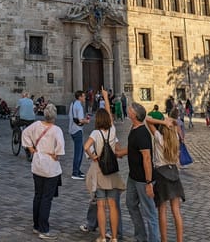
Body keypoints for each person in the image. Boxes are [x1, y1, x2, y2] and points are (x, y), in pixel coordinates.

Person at [117, 101, 161, 242]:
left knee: (149, 213)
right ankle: (140, 237)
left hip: (143, 179)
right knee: (131, 204)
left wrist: (149, 183)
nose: (128, 110)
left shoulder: (142, 133)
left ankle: (153, 239)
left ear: (134, 114)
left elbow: (147, 158)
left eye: (130, 109)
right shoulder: (133, 128)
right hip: (133, 177)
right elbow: (132, 149)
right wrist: (120, 153)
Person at [83, 100, 125, 242]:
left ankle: (102, 236)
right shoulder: (113, 131)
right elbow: (109, 113)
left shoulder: (95, 133)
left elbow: (86, 146)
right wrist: (106, 98)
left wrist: (93, 156)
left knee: (101, 205)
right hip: (112, 171)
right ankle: (114, 237)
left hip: (100, 171)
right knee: (112, 205)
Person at [22, 103, 65, 240]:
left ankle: (36, 225)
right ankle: (43, 229)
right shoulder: (56, 130)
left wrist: (31, 148)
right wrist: (57, 155)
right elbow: (60, 147)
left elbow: (25, 133)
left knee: (38, 195)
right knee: (46, 198)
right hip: (50, 166)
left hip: (38, 162)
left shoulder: (36, 125)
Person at [145, 114, 185, 242]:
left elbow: (147, 120)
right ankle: (180, 240)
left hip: (161, 173)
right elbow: (177, 124)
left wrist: (162, 121)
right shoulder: (176, 139)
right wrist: (170, 122)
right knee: (176, 210)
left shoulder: (159, 138)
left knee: (162, 210)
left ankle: (164, 240)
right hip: (174, 172)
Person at [69, 90, 90, 180]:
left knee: (80, 150)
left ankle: (77, 170)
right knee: (78, 152)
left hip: (72, 129)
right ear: (80, 97)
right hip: (77, 130)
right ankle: (75, 172)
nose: (85, 98)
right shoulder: (79, 107)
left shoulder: (73, 104)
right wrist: (87, 121)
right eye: (84, 96)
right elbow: (80, 120)